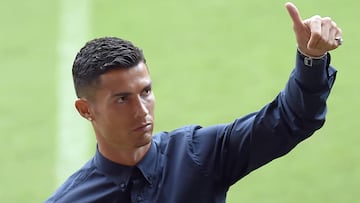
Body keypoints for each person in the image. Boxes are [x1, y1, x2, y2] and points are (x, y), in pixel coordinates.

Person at [46, 2, 342, 202]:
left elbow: (292, 120)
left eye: (146, 92)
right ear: (86, 110)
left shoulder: (199, 154)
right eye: (122, 99)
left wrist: (311, 58)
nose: (142, 111)